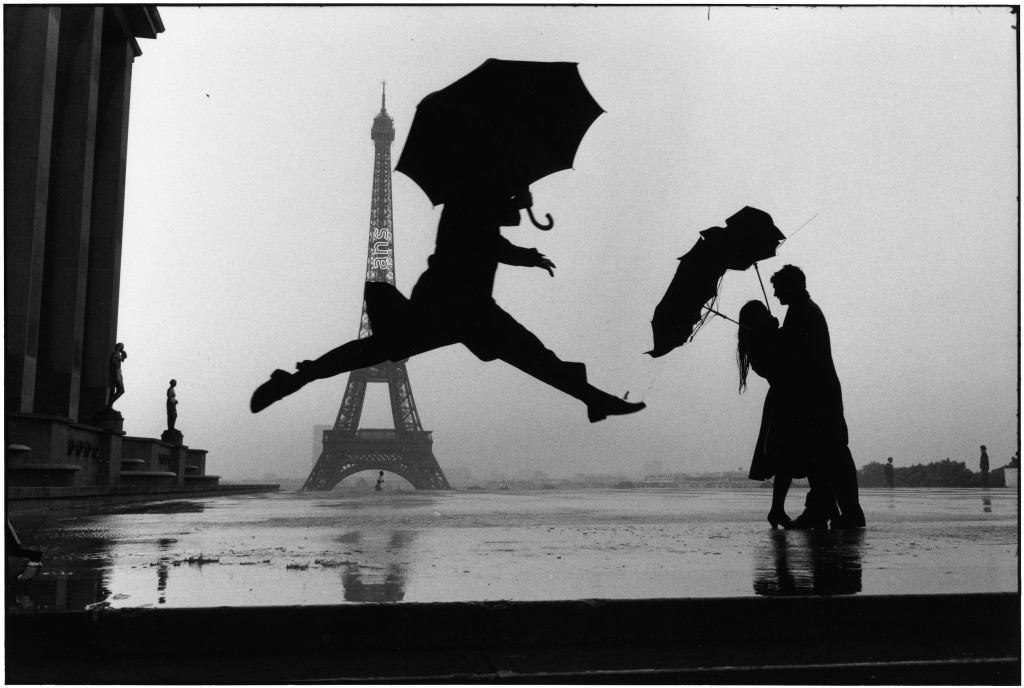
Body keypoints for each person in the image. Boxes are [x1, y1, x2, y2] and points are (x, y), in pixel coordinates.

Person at [251, 188, 645, 424]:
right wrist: (524, 235)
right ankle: (594, 399)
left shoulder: (471, 196)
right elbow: (485, 236)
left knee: (380, 348)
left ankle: (300, 377)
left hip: (453, 304)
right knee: (533, 356)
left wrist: (518, 221)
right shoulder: (470, 198)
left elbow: (489, 230)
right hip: (459, 305)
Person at [770, 265, 865, 529]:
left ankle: (839, 512)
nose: (775, 293)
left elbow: (797, 357)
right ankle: (830, 510)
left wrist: (775, 337)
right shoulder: (803, 310)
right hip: (820, 396)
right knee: (825, 454)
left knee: (828, 454)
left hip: (817, 398)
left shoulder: (804, 313)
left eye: (778, 288)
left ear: (792, 285)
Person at [736, 300, 802, 529]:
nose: (769, 314)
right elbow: (782, 362)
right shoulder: (759, 340)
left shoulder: (756, 339)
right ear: (756, 318)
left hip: (782, 400)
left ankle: (777, 510)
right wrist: (776, 333)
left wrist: (775, 332)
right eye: (764, 312)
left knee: (787, 457)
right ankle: (777, 510)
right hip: (785, 401)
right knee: (788, 457)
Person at [107, 343, 127, 407]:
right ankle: (110, 402)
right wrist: (115, 375)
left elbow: (121, 359)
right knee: (121, 390)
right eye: (122, 347)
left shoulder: (117, 355)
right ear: (119, 347)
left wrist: (123, 356)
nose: (123, 349)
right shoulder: (116, 354)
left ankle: (110, 403)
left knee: (120, 390)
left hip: (118, 374)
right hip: (117, 374)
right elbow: (114, 364)